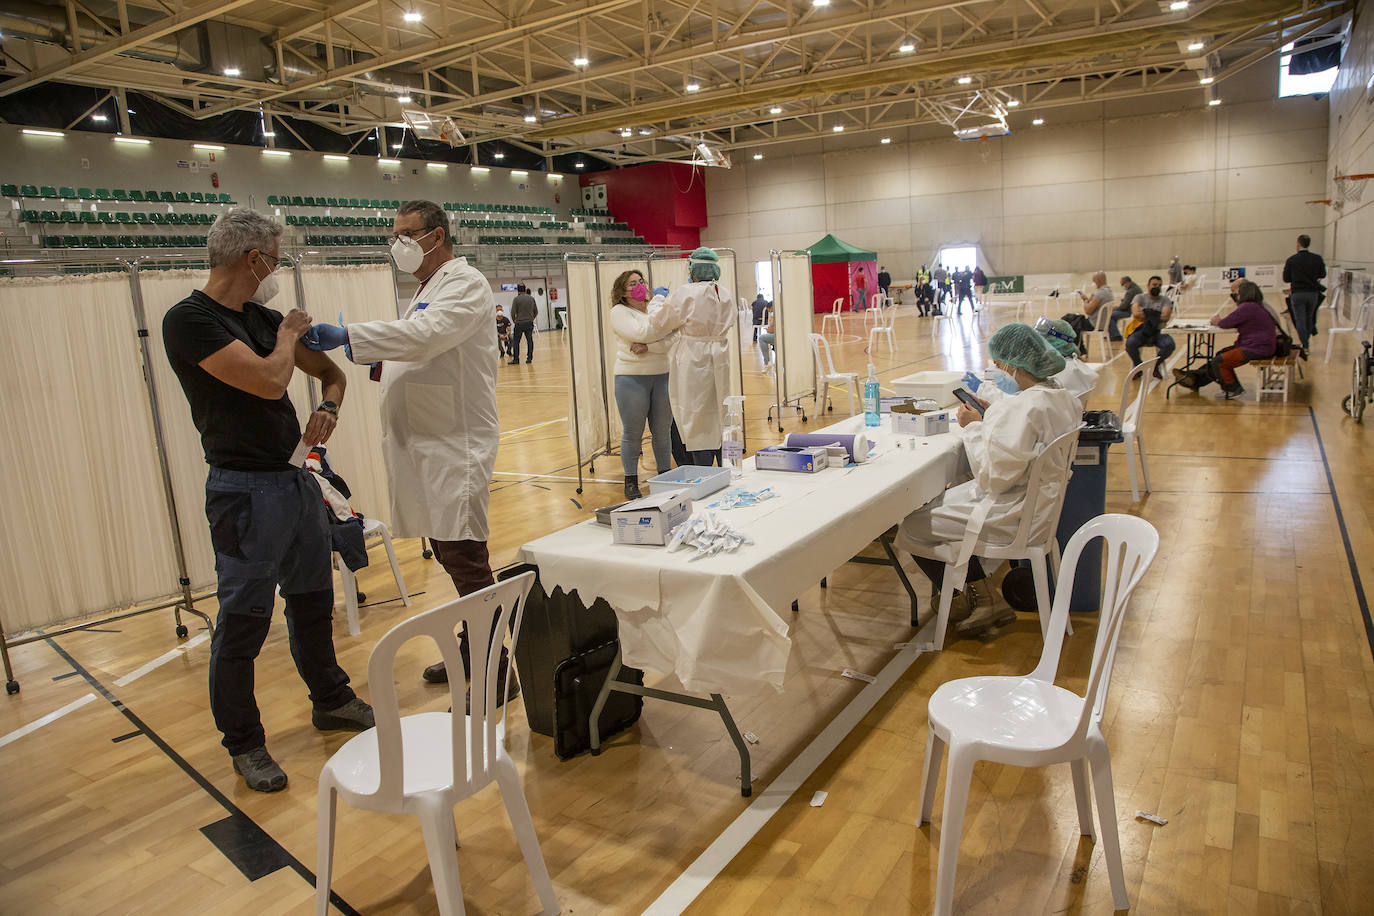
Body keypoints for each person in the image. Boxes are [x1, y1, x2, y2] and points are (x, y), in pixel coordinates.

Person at [161, 209, 373, 793]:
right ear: (252, 258)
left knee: (312, 602)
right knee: (245, 621)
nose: (278, 268)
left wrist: (328, 407)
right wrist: (285, 335)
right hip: (243, 492)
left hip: (295, 481)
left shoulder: (261, 315)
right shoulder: (189, 320)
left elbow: (331, 374)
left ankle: (330, 699)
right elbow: (268, 381)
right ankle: (245, 743)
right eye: (275, 257)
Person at [300, 199, 510, 701]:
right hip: (426, 444)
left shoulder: (465, 283)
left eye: (407, 234)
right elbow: (423, 350)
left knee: (465, 556)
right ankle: (470, 651)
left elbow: (425, 338)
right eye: (394, 235)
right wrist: (378, 363)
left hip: (453, 444)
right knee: (447, 549)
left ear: (436, 236)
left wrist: (350, 335)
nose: (399, 244)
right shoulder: (427, 289)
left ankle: (497, 670)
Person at [898, 323, 1081, 637]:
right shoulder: (1062, 398)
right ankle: (976, 594)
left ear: (1013, 364)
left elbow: (994, 477)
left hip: (1012, 514)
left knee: (913, 525)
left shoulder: (1026, 408)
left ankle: (980, 596)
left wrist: (973, 427)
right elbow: (1021, 442)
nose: (996, 373)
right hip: (1039, 508)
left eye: (998, 366)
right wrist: (994, 417)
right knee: (936, 507)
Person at [646, 246, 735, 467]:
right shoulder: (725, 293)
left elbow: (660, 322)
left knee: (696, 414)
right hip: (720, 356)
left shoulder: (686, 293)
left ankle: (702, 469)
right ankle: (729, 466)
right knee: (721, 412)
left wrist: (657, 299)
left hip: (694, 358)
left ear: (693, 269)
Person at [608, 269, 674, 499]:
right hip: (631, 378)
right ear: (622, 291)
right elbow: (641, 331)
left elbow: (672, 336)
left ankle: (665, 477)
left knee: (663, 432)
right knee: (633, 433)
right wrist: (660, 333)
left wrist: (649, 346)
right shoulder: (619, 312)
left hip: (662, 374)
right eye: (632, 283)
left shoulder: (654, 309)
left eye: (640, 281)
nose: (639, 285)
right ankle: (631, 481)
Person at [1172, 278, 1276, 399]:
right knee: (1220, 355)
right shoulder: (1256, 306)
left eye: (1238, 293)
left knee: (1219, 361)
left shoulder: (1248, 307)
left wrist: (1218, 321)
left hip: (1256, 348)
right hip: (1259, 345)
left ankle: (1233, 388)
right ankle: (1195, 379)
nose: (1236, 296)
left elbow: (1225, 323)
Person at [1124, 275, 1176, 378]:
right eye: (1154, 284)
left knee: (1170, 345)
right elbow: (1136, 314)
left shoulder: (1165, 299)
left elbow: (1166, 317)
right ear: (1148, 286)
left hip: (1159, 331)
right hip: (1142, 330)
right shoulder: (1139, 297)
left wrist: (1147, 313)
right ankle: (1139, 366)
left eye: (1159, 285)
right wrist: (1156, 315)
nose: (1157, 287)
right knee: (1130, 344)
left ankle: (1155, 366)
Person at [1284, 233, 1326, 354]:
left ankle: (1305, 344)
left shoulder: (1292, 260)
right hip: (1312, 293)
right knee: (1309, 318)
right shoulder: (1317, 258)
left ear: (1298, 244)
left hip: (1298, 293)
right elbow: (1322, 274)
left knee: (1300, 319)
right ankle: (1306, 341)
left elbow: (1286, 278)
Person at [509, 283, 538, 364]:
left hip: (519, 323)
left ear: (518, 290)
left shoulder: (516, 299)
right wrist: (531, 318)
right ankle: (529, 358)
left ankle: (516, 359)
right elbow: (536, 311)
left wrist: (515, 320)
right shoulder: (531, 298)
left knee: (516, 342)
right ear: (525, 289)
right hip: (529, 323)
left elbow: (512, 312)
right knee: (529, 340)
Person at [1108, 275, 1143, 340]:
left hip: (1129, 311)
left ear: (1127, 283)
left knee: (1110, 316)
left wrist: (1116, 308)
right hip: (1133, 310)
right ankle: (1113, 333)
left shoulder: (1131, 291)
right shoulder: (1136, 287)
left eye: (1123, 284)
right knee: (1113, 316)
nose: (1122, 287)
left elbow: (1124, 305)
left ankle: (1115, 335)